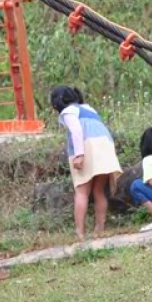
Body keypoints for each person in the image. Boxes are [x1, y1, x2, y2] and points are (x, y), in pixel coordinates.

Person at [50, 86, 122, 241]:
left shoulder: (68, 112)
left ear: (56, 104)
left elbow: (76, 130)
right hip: (105, 146)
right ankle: (99, 229)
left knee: (82, 192)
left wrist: (79, 155)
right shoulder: (89, 108)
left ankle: (80, 233)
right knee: (98, 191)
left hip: (88, 146)